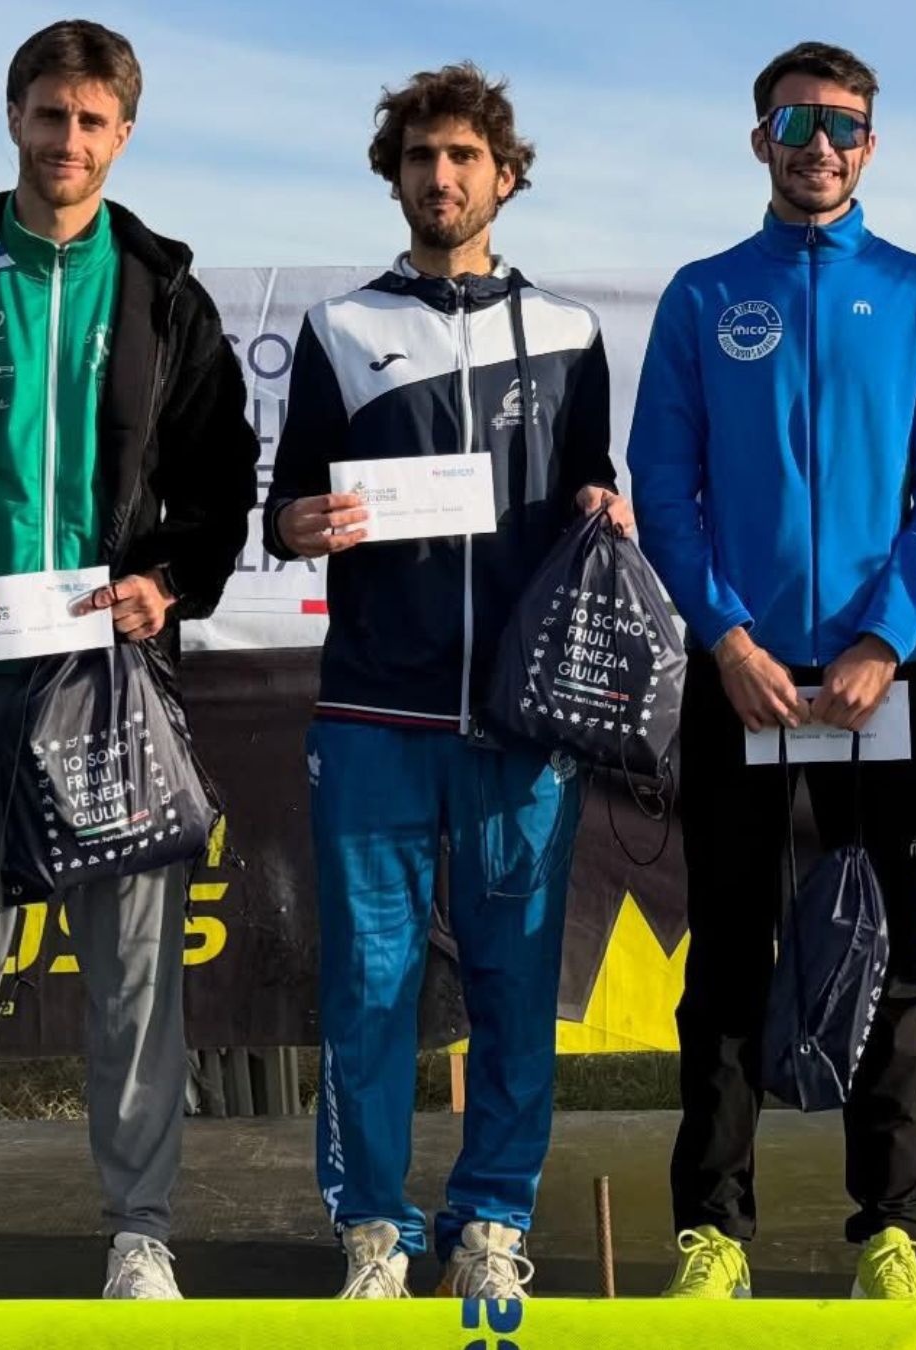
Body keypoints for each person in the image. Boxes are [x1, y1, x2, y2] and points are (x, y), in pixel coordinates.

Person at [0, 19, 257, 1300]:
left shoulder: (165, 295)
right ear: (14, 119)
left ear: (124, 135)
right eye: (51, 115)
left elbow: (221, 482)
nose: (69, 140)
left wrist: (166, 581)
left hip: (107, 686)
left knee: (137, 970)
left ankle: (140, 1235)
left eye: (94, 121)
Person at [263, 61, 632, 1301]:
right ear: (396, 177)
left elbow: (592, 485)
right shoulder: (340, 328)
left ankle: (491, 1223)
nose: (441, 174)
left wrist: (604, 505)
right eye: (421, 156)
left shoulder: (573, 334)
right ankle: (373, 1228)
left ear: (505, 177)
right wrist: (299, 523)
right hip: (375, 711)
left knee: (515, 987)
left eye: (464, 155)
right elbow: (287, 506)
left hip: (523, 723)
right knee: (369, 988)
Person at [628, 41, 916, 1299]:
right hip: (743, 677)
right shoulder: (704, 295)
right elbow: (665, 484)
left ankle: (892, 1229)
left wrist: (882, 639)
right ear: (758, 138)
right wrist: (727, 639)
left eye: (842, 125)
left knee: (893, 955)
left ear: (870, 145)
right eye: (794, 122)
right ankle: (713, 1233)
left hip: (878, 680)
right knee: (728, 950)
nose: (818, 145)